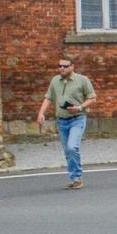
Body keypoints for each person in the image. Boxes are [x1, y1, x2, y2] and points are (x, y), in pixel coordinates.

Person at [35, 55, 96, 190]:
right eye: (59, 66)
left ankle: (77, 177)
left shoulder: (82, 80)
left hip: (77, 119)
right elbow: (48, 98)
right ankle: (75, 179)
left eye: (65, 66)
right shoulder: (55, 81)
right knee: (67, 151)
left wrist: (79, 107)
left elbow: (92, 98)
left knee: (72, 147)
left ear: (72, 67)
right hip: (61, 121)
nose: (61, 68)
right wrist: (41, 113)